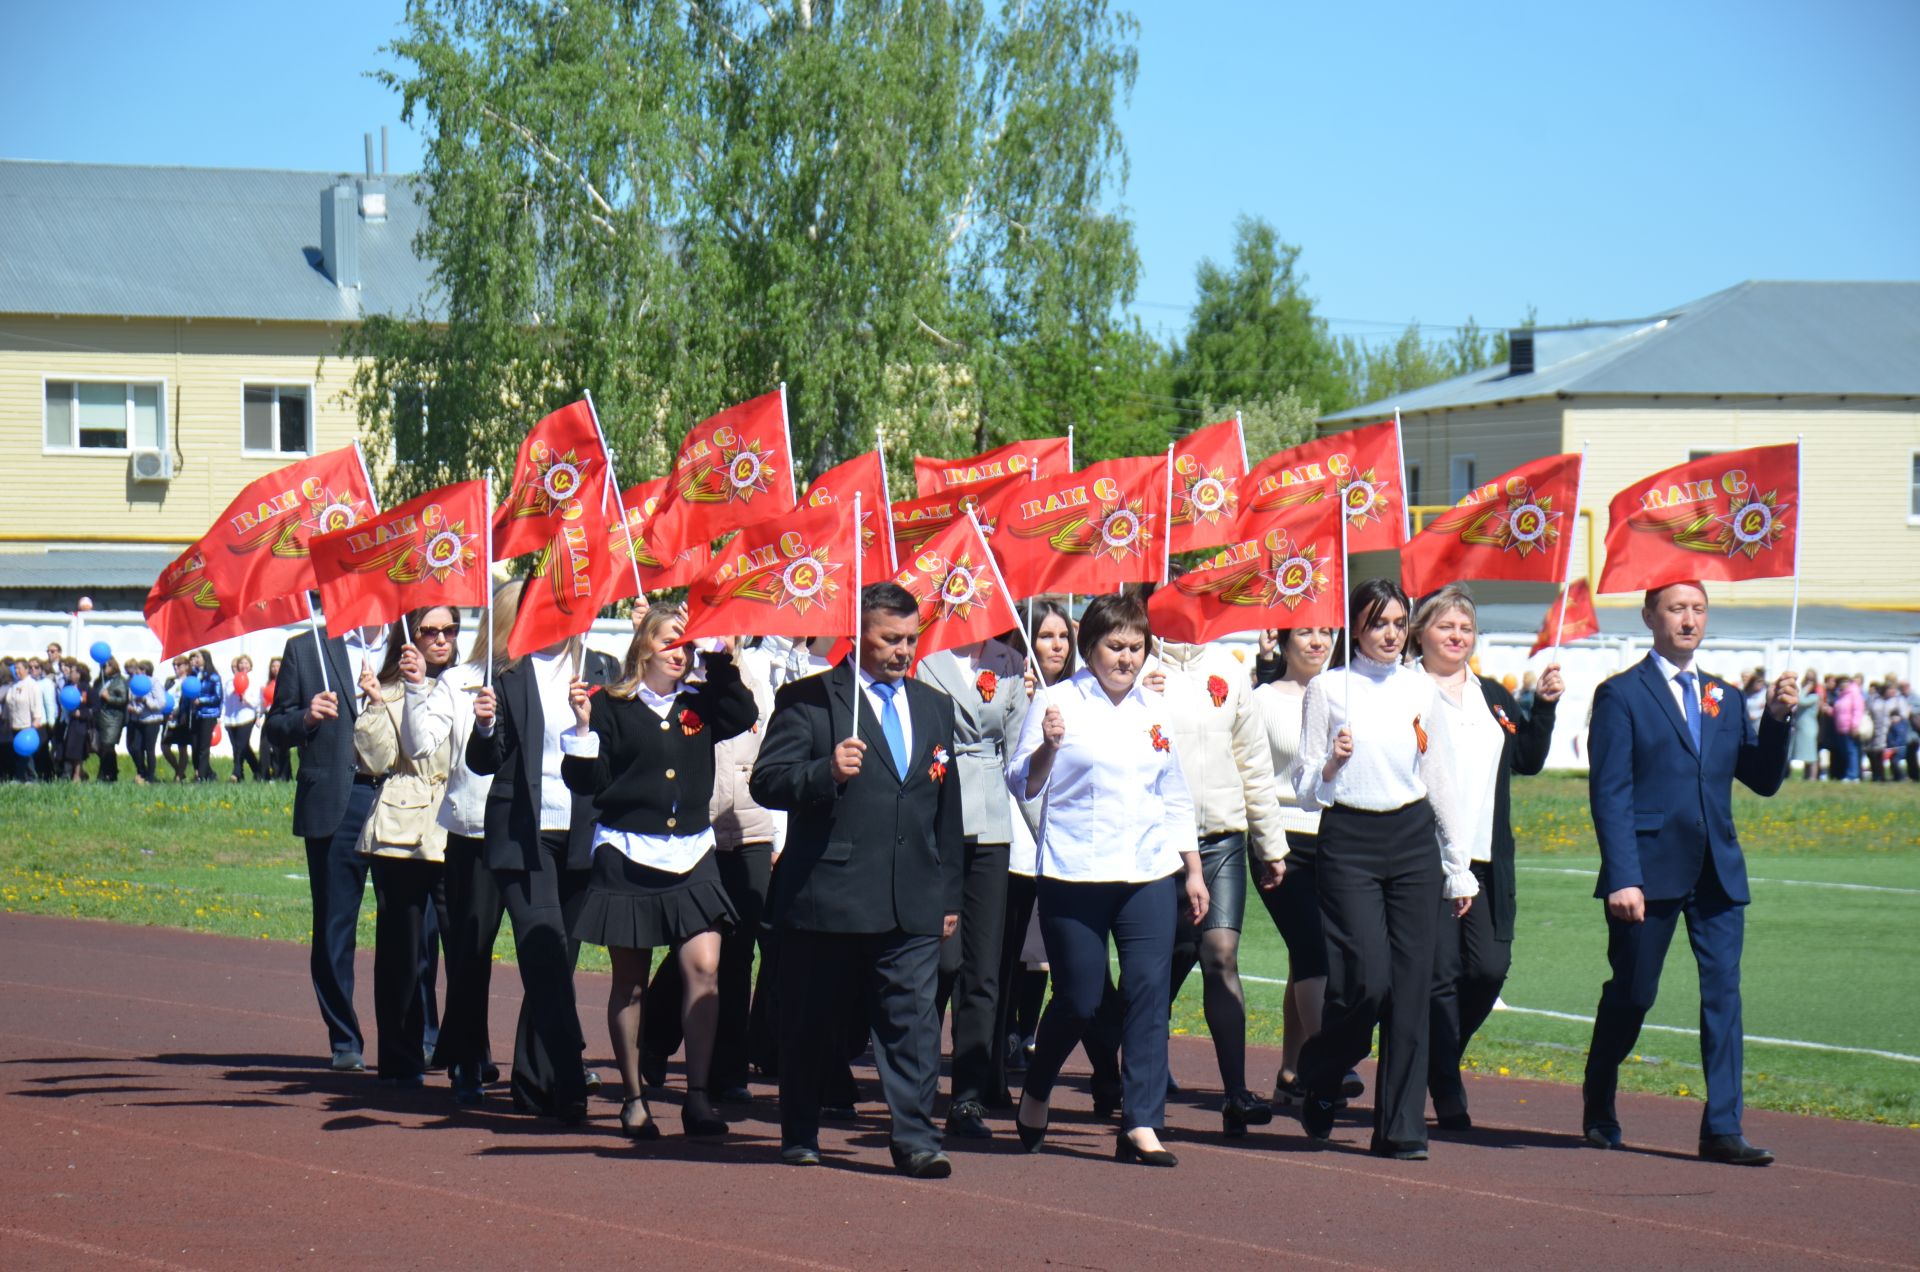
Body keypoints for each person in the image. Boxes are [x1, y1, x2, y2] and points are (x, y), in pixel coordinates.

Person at [749, 582, 964, 1178]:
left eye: (911, 639)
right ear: (857, 633)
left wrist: (947, 891)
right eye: (889, 639)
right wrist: (824, 770)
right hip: (829, 894)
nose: (902, 650)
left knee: (914, 1023)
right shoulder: (810, 700)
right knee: (811, 1021)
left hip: (911, 897)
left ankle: (916, 1138)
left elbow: (947, 807)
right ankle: (799, 1129)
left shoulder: (932, 705)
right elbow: (767, 781)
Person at [1581, 581, 1795, 1166]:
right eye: (1677, 609)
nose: (1689, 619)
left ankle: (1722, 1128)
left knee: (1723, 994)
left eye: (1698, 610)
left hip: (1718, 874)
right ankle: (1599, 1095)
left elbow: (1762, 778)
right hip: (1647, 875)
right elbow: (1611, 793)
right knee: (1634, 994)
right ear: (1650, 615)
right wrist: (1624, 876)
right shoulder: (1621, 695)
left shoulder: (1724, 696)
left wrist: (1776, 719)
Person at [1006, 591, 1206, 1168]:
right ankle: (1039, 1085)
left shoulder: (1153, 707)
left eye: (1136, 647)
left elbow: (1172, 792)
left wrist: (1191, 869)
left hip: (1147, 872)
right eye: (1114, 647)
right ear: (1089, 647)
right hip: (1076, 872)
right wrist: (1047, 745)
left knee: (1148, 994)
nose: (1126, 658)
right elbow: (1023, 783)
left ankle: (1141, 1122)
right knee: (1081, 999)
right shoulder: (1056, 700)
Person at [1290, 579, 1474, 1161]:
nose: (1391, 634)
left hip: (1413, 839)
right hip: (1349, 840)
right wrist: (1331, 763)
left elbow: (1438, 774)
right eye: (1378, 624)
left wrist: (1458, 863)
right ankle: (1319, 1072)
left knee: (1413, 989)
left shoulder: (1421, 689)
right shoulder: (1328, 688)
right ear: (1357, 630)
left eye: (1399, 622)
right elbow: (1302, 788)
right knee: (1368, 982)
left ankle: (1399, 1128)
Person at [562, 603, 757, 1138]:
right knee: (631, 982)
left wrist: (719, 659)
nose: (681, 652)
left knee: (705, 966)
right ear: (646, 644)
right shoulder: (611, 705)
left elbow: (742, 713)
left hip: (691, 851)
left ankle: (697, 1097)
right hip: (627, 852)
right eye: (672, 642)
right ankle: (633, 1096)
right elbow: (588, 783)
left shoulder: (701, 701)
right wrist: (581, 729)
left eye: (688, 644)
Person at [1409, 585, 1561, 1131]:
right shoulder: (1403, 690)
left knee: (1490, 969)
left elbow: (1528, 758)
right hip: (1428, 858)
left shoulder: (1493, 695)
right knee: (1442, 975)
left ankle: (1435, 1057)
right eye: (1445, 626)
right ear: (1419, 632)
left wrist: (1544, 705)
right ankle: (1446, 1088)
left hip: (1487, 857)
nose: (1456, 637)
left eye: (1465, 628)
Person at [466, 598, 620, 1122]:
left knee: (559, 961)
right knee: (546, 956)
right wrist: (484, 727)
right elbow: (484, 760)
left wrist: (589, 724)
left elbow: (617, 754)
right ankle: (571, 1079)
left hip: (582, 835)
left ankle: (534, 1084)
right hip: (522, 836)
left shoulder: (601, 669)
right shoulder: (508, 674)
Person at [1152, 634, 1286, 1136]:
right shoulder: (1141, 670)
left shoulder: (1228, 672)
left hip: (1222, 840)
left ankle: (1235, 1093)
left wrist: (1270, 843)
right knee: (1157, 970)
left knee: (1220, 954)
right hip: (1160, 842)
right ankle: (1126, 1074)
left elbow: (1253, 762)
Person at [267, 613, 396, 1071]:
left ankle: (416, 1037)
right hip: (337, 801)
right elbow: (274, 728)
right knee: (335, 926)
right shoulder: (309, 648)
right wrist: (305, 717)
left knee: (410, 926)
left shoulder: (409, 644)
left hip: (400, 800)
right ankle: (344, 1039)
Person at [915, 629, 1029, 1140]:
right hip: (934, 812)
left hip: (989, 819)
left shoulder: (1008, 662)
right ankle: (915, 1083)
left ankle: (967, 1097)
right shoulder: (925, 657)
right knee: (939, 961)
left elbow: (1022, 752)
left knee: (982, 967)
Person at [401, 598, 505, 1104]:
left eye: (450, 628)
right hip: (475, 830)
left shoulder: (558, 674)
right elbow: (421, 743)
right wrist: (418, 690)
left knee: (549, 950)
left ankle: (553, 1057)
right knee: (471, 953)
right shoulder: (459, 680)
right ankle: (467, 1058)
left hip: (540, 835)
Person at [353, 607, 460, 1085]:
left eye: (450, 630)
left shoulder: (469, 685)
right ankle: (400, 1057)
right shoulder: (389, 689)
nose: (441, 639)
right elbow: (375, 762)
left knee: (465, 945)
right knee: (402, 950)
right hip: (401, 830)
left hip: (458, 827)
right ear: (409, 637)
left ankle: (461, 1050)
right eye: (430, 630)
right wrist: (376, 705)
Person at [1250, 626, 1354, 1109]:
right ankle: (1331, 1060)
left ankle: (1292, 1073)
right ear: (1283, 640)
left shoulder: (1344, 694)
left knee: (1306, 956)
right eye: (1306, 633)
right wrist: (1267, 842)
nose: (1317, 642)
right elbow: (1252, 776)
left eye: (1325, 632)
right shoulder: (1262, 701)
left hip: (1335, 839)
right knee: (1314, 949)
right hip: (1280, 841)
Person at [990, 599, 1073, 1106]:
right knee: (1005, 953)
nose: (1057, 646)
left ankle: (1025, 1033)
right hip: (1018, 839)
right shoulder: (1013, 691)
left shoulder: (1077, 697)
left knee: (1042, 950)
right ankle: (996, 1049)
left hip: (1058, 843)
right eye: (1045, 636)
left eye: (1063, 636)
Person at [224, 655, 264, 782]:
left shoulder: (254, 680)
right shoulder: (230, 682)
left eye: (246, 663)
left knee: (240, 746)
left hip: (247, 716)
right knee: (241, 747)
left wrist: (248, 701)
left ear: (250, 665)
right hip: (232, 719)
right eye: (241, 663)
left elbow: (259, 700)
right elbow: (226, 700)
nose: (243, 665)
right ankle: (258, 771)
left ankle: (236, 773)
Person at [91, 657, 130, 784]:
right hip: (100, 717)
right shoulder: (100, 681)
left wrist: (109, 698)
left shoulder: (119, 681)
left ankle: (106, 774)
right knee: (99, 746)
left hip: (113, 719)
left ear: (113, 666)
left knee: (108, 745)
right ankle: (110, 771)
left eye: (106, 666)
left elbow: (123, 700)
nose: (103, 669)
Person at [5, 659, 42, 781]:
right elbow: (9, 704)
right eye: (15, 668)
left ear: (26, 669)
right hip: (14, 724)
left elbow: (37, 704)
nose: (17, 671)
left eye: (19, 668)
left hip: (27, 725)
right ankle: (20, 776)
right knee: (17, 754)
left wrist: (36, 720)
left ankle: (32, 778)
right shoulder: (14, 686)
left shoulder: (32, 685)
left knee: (27, 754)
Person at [60, 660, 94, 780]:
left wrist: (82, 713)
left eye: (73, 671)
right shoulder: (67, 686)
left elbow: (95, 707)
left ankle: (77, 774)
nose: (70, 673)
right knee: (68, 748)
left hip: (81, 724)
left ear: (80, 674)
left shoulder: (86, 689)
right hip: (69, 722)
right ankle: (77, 774)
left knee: (78, 749)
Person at [1830, 675, 1866, 781]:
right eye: (1840, 683)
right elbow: (1839, 711)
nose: (1842, 685)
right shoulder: (1841, 695)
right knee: (1846, 752)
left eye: (1845, 682)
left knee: (1852, 751)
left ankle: (1853, 775)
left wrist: (1854, 726)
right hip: (1841, 728)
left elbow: (1857, 710)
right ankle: (1849, 773)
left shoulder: (1854, 693)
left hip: (1850, 728)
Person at [1789, 671, 1821, 781]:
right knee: (1802, 753)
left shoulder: (1815, 696)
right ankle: (1805, 776)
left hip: (1809, 728)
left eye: (1811, 680)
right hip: (1800, 727)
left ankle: (1812, 777)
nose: (1808, 683)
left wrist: (1805, 689)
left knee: (1811, 755)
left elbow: (1800, 701)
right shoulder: (1805, 694)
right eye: (1807, 680)